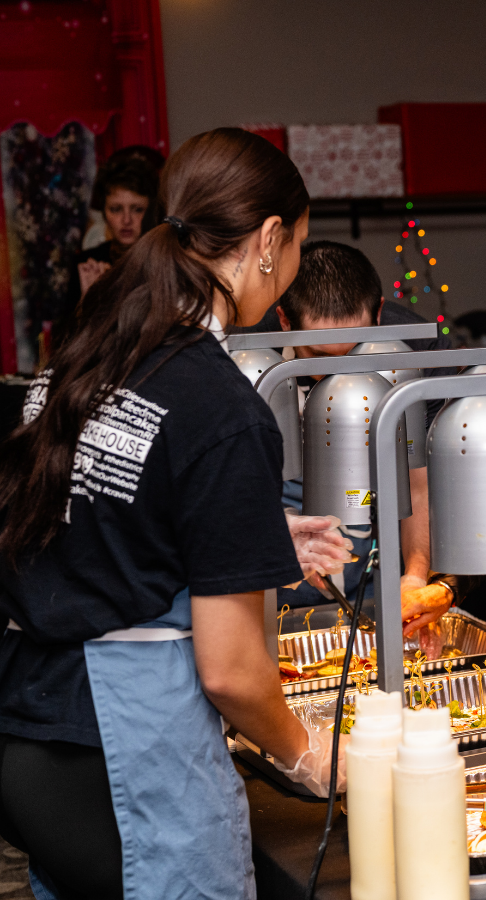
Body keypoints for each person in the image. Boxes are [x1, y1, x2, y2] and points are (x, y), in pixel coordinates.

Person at [0, 128, 352, 899]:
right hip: (121, 750)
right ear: (268, 241)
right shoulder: (220, 404)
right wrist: (308, 755)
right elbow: (229, 672)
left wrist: (251, 530)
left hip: (31, 729)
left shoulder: (92, 352)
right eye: (295, 244)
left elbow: (91, 514)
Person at [247, 240, 456, 632]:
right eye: (318, 356)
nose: (334, 377)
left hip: (375, 548)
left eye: (351, 353)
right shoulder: (245, 352)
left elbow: (418, 482)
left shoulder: (420, 350)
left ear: (377, 315)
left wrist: (414, 574)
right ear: (284, 320)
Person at [67, 153, 159, 314]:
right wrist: (87, 300)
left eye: (137, 209)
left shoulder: (165, 261)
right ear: (104, 213)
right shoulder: (87, 264)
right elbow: (67, 335)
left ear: (151, 212)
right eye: (116, 209)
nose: (126, 220)